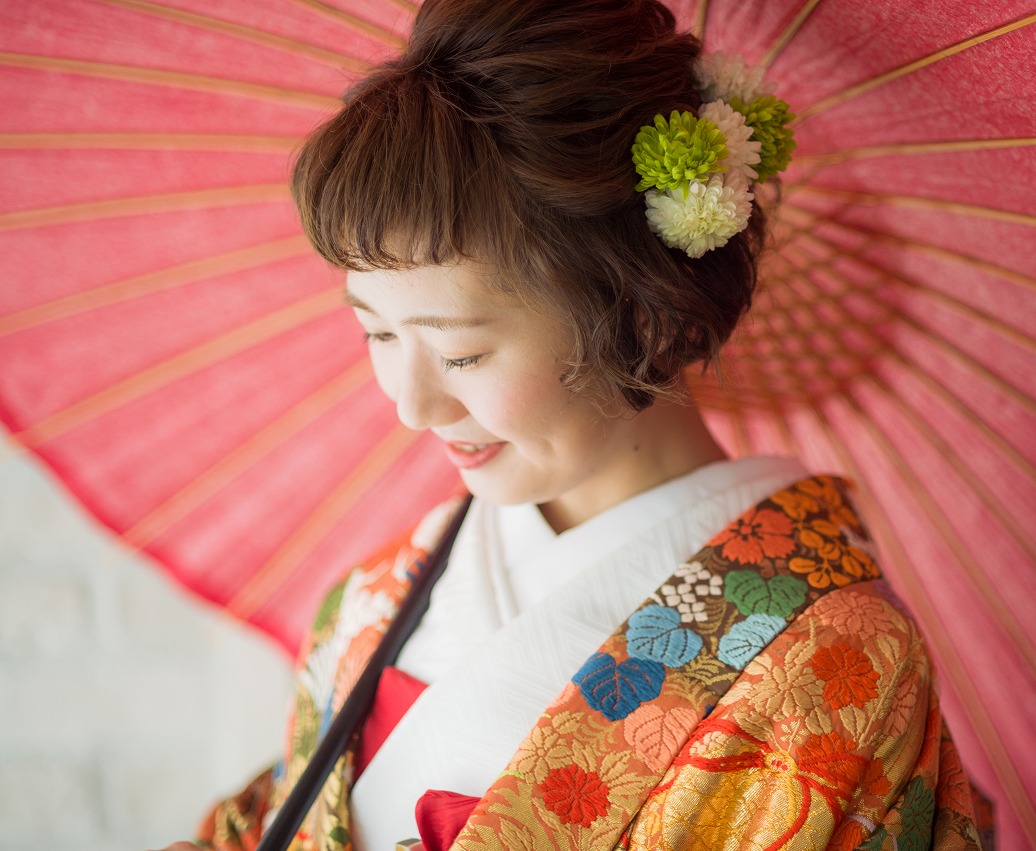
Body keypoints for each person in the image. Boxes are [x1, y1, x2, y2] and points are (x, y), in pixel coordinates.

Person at [163, 0, 988, 848]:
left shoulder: (836, 664)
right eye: (376, 331)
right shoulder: (378, 598)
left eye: (461, 355)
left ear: (649, 317)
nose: (411, 406)